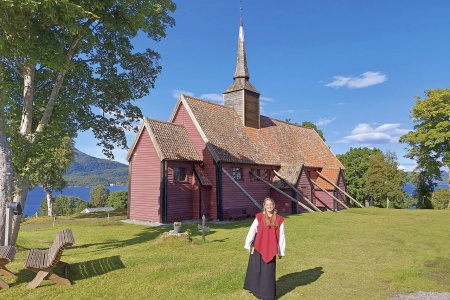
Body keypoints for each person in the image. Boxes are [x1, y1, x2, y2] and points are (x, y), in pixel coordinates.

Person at [244, 196, 285, 300]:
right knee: (258, 270)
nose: (269, 206)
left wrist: (281, 251)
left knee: (268, 273)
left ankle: (267, 295)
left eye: (271, 204)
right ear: (264, 206)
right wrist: (248, 244)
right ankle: (256, 291)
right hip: (259, 247)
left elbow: (281, 236)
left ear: (274, 205)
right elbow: (252, 230)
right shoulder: (259, 217)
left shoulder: (279, 219)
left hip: (271, 249)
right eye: (267, 204)